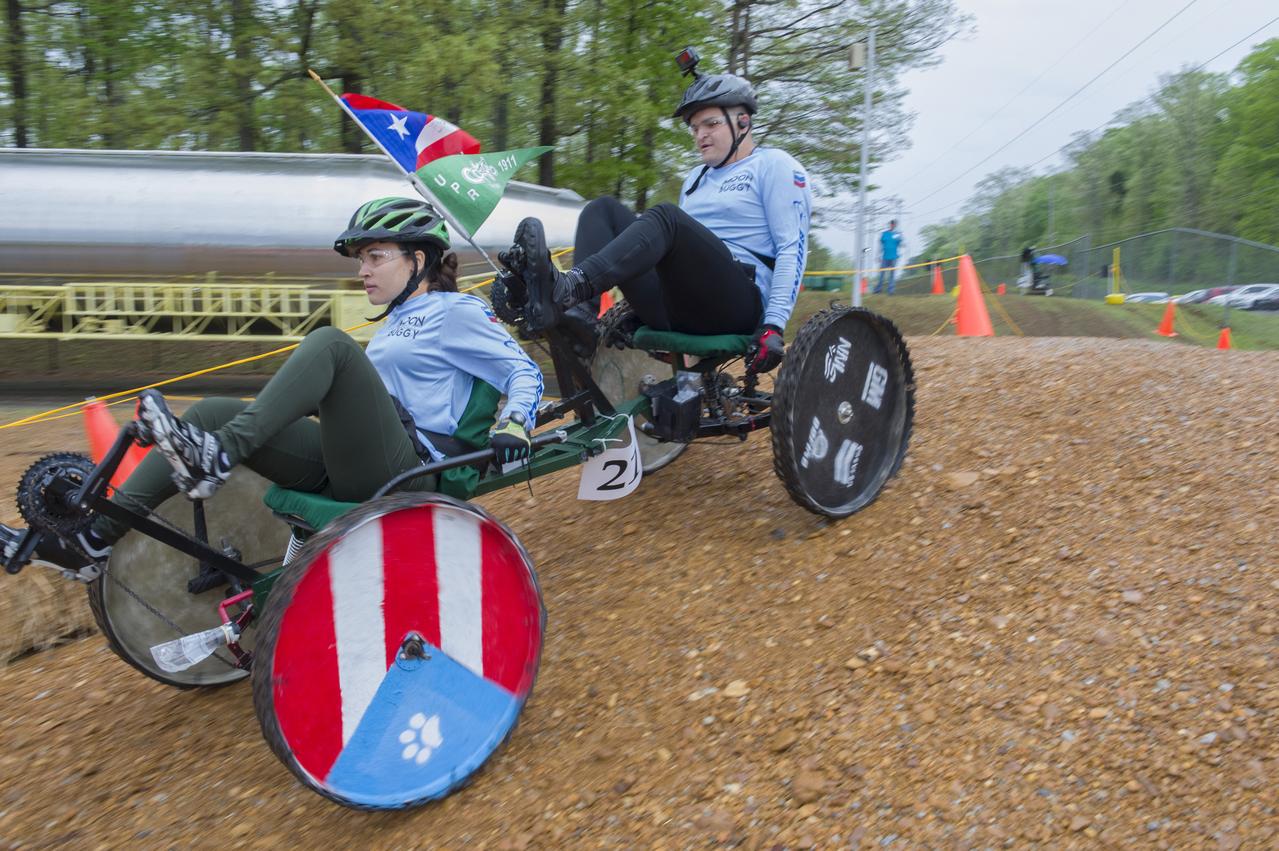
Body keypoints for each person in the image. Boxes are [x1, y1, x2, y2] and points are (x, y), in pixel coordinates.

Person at [2, 197, 543, 574]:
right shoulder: (392, 326)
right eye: (362, 260)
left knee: (331, 344)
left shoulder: (455, 312)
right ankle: (91, 539)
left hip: (413, 467)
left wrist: (515, 420)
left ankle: (218, 456)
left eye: (375, 256)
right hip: (356, 461)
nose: (363, 270)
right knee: (211, 410)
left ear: (418, 258)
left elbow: (523, 371)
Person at [503, 65, 811, 374]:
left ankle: (569, 288)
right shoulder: (696, 179)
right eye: (694, 128)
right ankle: (578, 314)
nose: (700, 135)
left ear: (743, 121)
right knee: (602, 210)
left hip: (740, 303)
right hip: (683, 304)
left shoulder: (775, 166)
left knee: (667, 218)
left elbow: (791, 249)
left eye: (710, 124)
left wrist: (774, 324)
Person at [874, 220, 902, 295]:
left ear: (895, 225)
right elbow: (880, 246)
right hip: (885, 257)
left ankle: (891, 291)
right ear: (889, 225)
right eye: (891, 224)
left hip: (894, 257)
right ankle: (878, 289)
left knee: (892, 275)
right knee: (882, 274)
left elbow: (900, 244)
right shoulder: (884, 234)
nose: (892, 225)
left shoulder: (897, 234)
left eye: (894, 224)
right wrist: (878, 256)